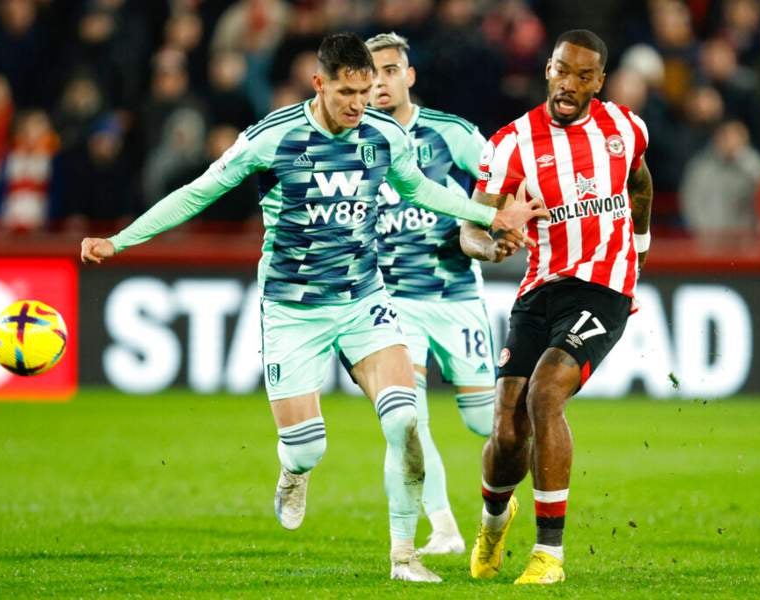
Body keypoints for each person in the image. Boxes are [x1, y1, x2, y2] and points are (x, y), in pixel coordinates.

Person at [81, 33, 544, 583]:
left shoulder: (383, 136)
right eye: (347, 92)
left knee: (404, 420)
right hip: (293, 312)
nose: (359, 104)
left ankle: (404, 556)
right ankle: (292, 471)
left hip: (364, 301)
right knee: (307, 449)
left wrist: (489, 216)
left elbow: (420, 189)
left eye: (366, 90)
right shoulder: (271, 140)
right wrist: (122, 239)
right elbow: (197, 192)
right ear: (319, 83)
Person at [460, 29, 654, 585]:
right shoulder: (511, 143)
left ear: (600, 82)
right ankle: (494, 522)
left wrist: (637, 253)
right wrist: (491, 244)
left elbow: (640, 182)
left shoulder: (625, 129)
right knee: (507, 427)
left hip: (604, 287)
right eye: (562, 70)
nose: (570, 84)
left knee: (546, 395)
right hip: (540, 287)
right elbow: (471, 227)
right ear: (547, 69)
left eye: (583, 75)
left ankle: (549, 556)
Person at [366, 31, 515, 556]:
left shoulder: (449, 134)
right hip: (392, 303)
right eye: (371, 73)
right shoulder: (351, 143)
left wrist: (497, 229)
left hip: (455, 297)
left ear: (408, 76)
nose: (380, 83)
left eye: (390, 71)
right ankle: (444, 528)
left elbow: (507, 179)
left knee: (484, 421)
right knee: (405, 419)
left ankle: (508, 493)